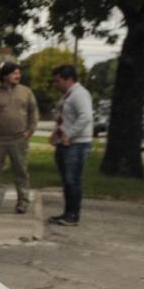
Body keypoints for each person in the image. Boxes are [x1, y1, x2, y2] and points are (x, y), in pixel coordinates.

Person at [0, 61, 38, 214]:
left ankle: (23, 201)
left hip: (19, 138)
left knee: (21, 171)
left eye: (19, 73)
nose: (18, 76)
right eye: (14, 73)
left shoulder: (26, 92)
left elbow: (33, 112)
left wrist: (30, 130)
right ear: (5, 75)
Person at [49, 64, 93, 227]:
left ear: (69, 79)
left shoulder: (79, 94)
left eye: (58, 80)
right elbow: (63, 117)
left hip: (77, 144)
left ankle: (73, 214)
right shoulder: (67, 95)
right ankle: (67, 212)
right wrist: (56, 133)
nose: (56, 84)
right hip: (64, 143)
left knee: (72, 180)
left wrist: (70, 133)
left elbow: (85, 116)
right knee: (67, 180)